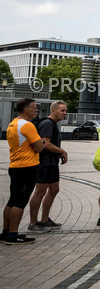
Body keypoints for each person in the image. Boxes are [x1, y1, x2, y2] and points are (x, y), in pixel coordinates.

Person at [5, 98, 43, 244]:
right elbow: (39, 147)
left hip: (15, 165)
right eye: (34, 107)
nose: (36, 110)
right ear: (26, 109)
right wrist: (41, 143)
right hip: (27, 166)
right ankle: (13, 235)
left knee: (12, 200)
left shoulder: (12, 124)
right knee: (20, 201)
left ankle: (6, 232)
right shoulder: (27, 125)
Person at [28, 100, 68, 232]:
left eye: (65, 110)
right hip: (44, 163)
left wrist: (59, 152)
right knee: (39, 192)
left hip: (51, 163)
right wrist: (62, 151)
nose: (64, 113)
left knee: (54, 189)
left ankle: (45, 220)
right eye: (62, 110)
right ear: (53, 111)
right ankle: (33, 223)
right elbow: (45, 144)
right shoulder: (47, 124)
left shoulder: (53, 124)